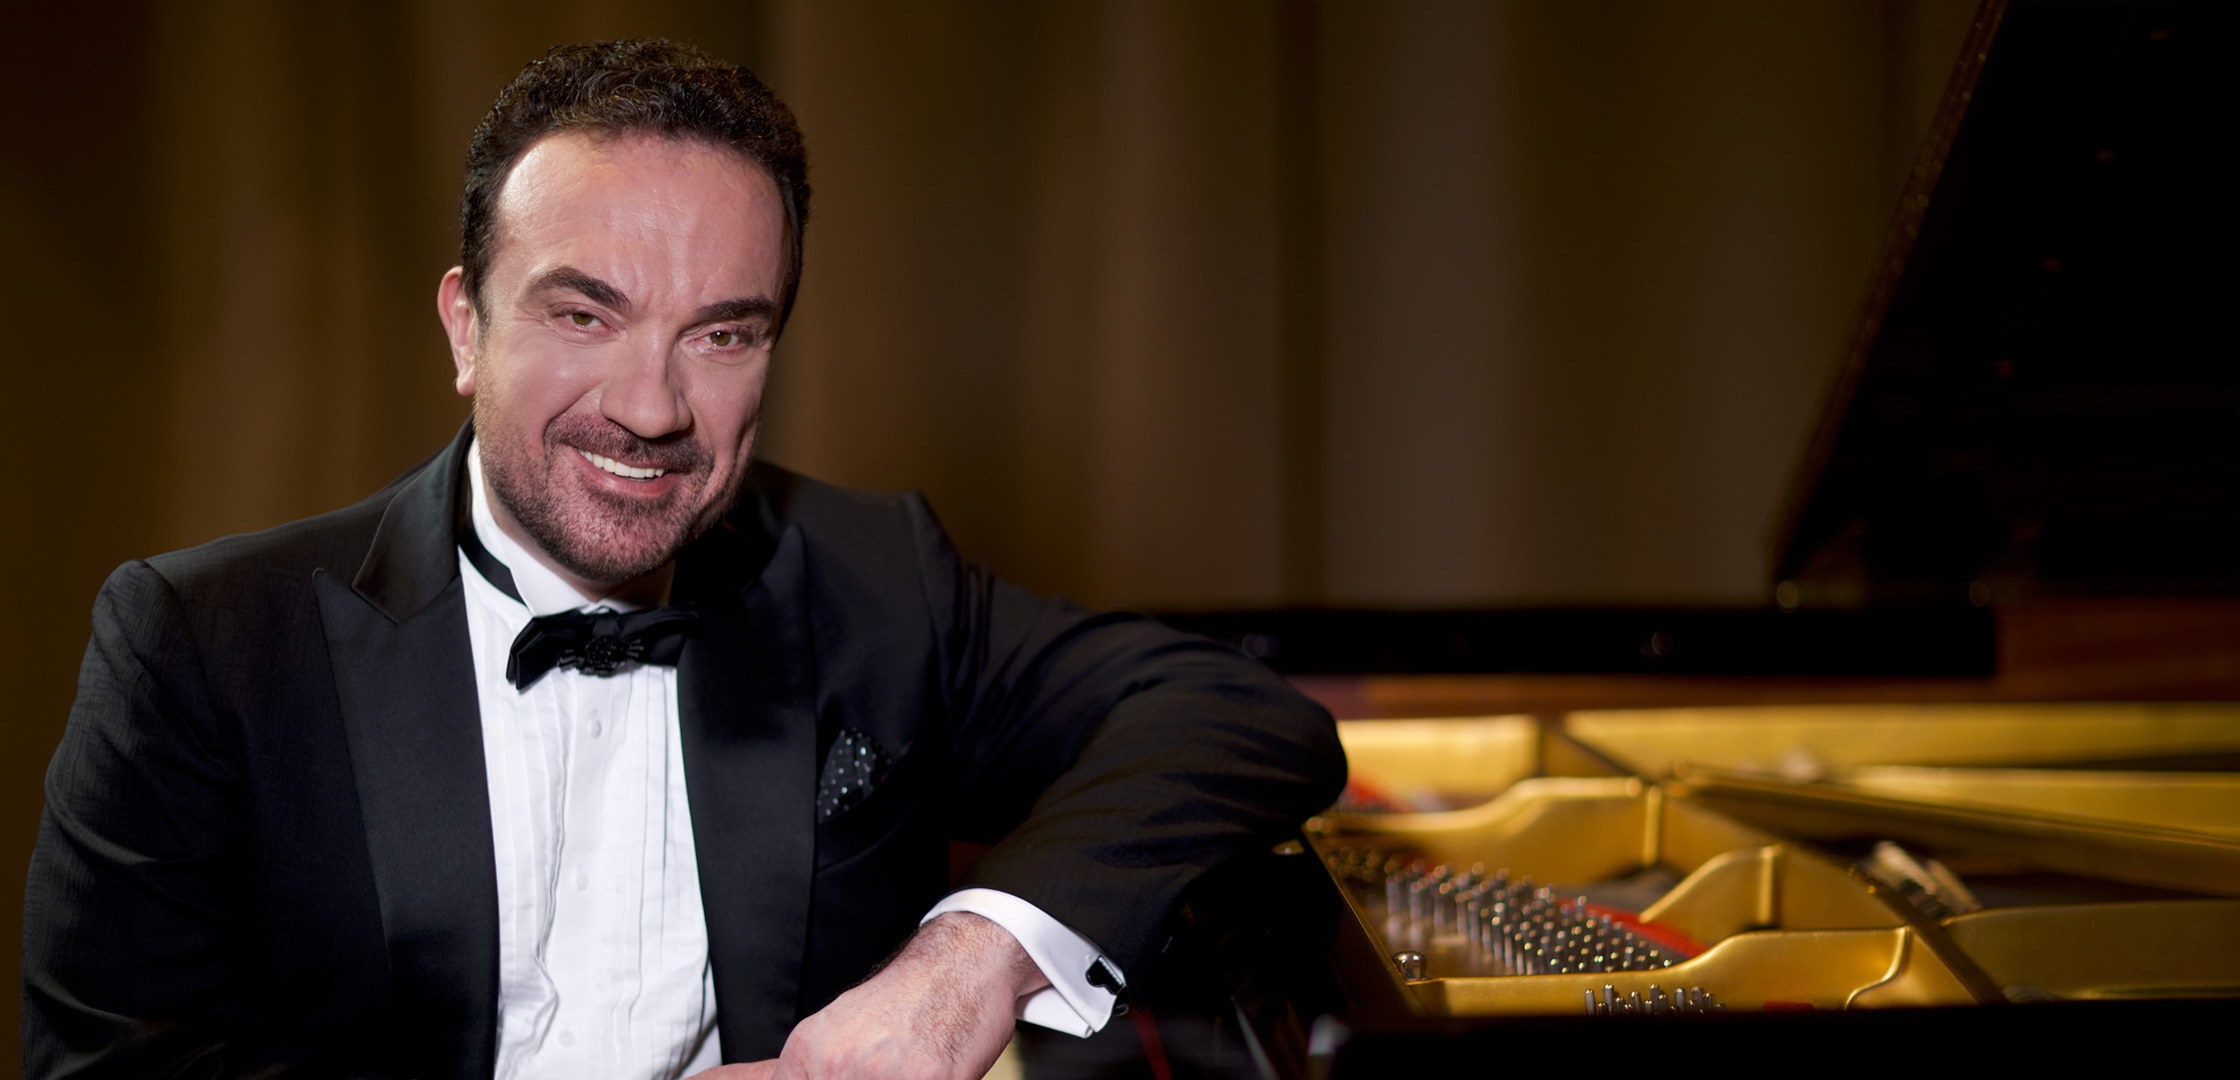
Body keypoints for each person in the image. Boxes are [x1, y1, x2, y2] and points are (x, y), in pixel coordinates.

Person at [22, 39, 1343, 1080]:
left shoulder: (876, 577)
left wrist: (969, 957)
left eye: (723, 334)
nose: (652, 408)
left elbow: (1236, 716)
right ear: (466, 327)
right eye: (584, 314)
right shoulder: (205, 643)